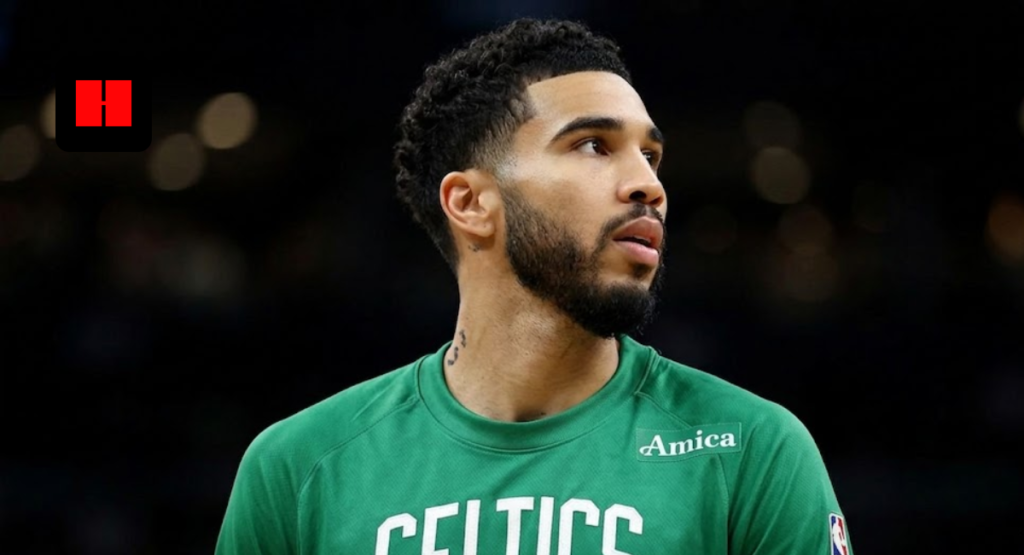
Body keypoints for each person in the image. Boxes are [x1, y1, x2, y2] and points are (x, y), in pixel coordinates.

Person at [215, 18, 855, 555]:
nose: (648, 185)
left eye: (651, 156)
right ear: (469, 203)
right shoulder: (298, 467)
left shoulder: (751, 449)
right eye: (593, 146)